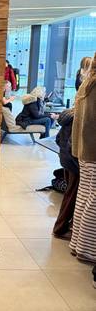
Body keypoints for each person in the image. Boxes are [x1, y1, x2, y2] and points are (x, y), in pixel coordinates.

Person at [69, 52, 96, 266]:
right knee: (93, 199)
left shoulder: (87, 83)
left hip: (83, 149)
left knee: (85, 194)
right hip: (92, 149)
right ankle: (88, 249)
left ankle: (78, 244)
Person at [52, 109, 79, 239]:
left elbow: (58, 139)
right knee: (72, 196)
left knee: (70, 194)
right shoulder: (79, 118)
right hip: (75, 163)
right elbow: (73, 145)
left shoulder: (70, 115)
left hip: (66, 160)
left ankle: (64, 226)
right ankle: (60, 228)